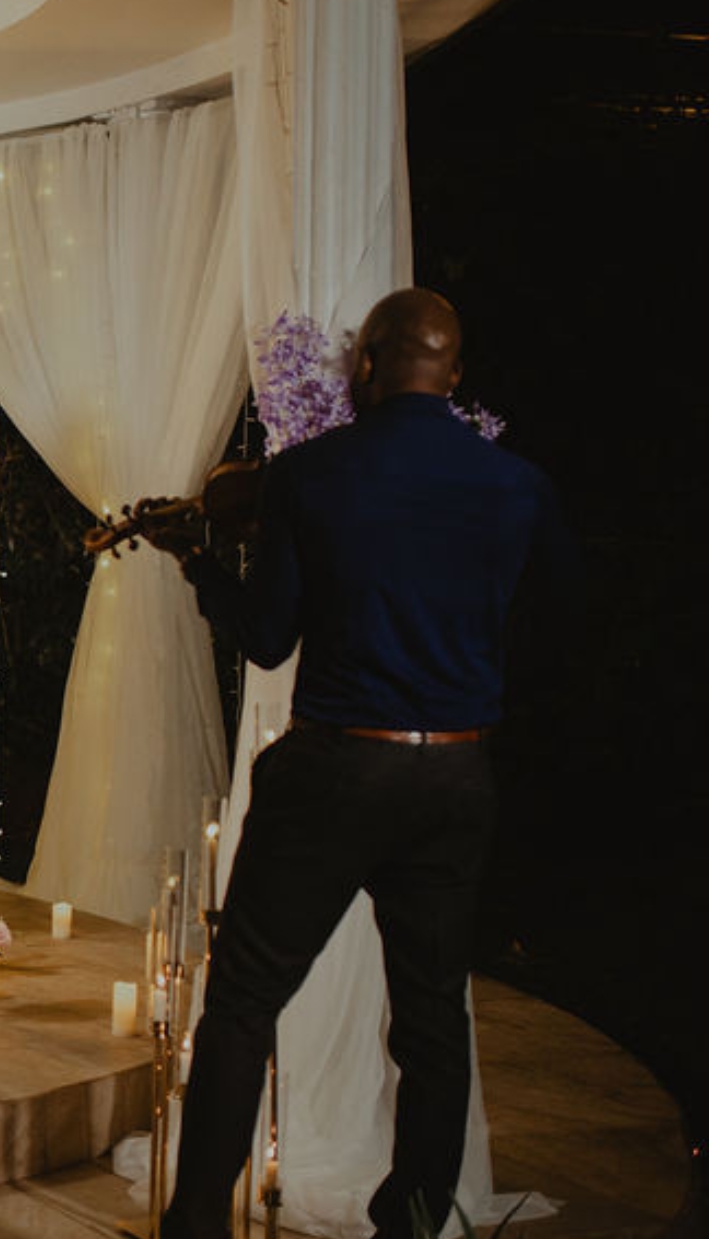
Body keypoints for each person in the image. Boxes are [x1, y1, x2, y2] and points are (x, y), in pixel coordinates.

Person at [145, 289, 570, 1237]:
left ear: (364, 365)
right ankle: (413, 1223)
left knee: (246, 1001)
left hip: (336, 768)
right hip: (456, 775)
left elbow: (264, 639)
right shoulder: (518, 486)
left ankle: (196, 1226)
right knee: (431, 1019)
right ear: (455, 375)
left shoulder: (309, 475)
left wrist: (200, 566)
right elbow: (550, 635)